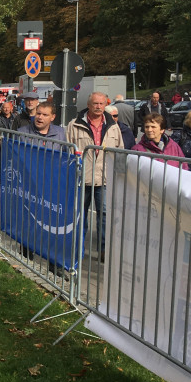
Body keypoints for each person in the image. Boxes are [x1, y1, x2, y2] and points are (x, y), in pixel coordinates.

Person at [66, 92, 124, 260]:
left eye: (101, 103)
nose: (98, 107)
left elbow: (120, 150)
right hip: (82, 178)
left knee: (104, 215)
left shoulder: (113, 126)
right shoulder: (74, 124)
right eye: (95, 104)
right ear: (89, 105)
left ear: (105, 105)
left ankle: (104, 251)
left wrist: (118, 176)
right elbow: (68, 151)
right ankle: (78, 250)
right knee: (80, 215)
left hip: (105, 179)